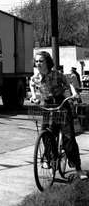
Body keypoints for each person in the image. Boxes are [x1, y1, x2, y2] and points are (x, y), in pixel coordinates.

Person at [29, 51, 87, 179]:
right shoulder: (36, 77)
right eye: (36, 61)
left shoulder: (57, 74)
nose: (38, 63)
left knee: (68, 137)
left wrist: (74, 94)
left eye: (41, 61)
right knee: (46, 134)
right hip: (48, 105)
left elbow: (69, 83)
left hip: (60, 104)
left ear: (47, 62)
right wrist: (33, 97)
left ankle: (78, 169)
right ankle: (51, 158)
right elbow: (31, 84)